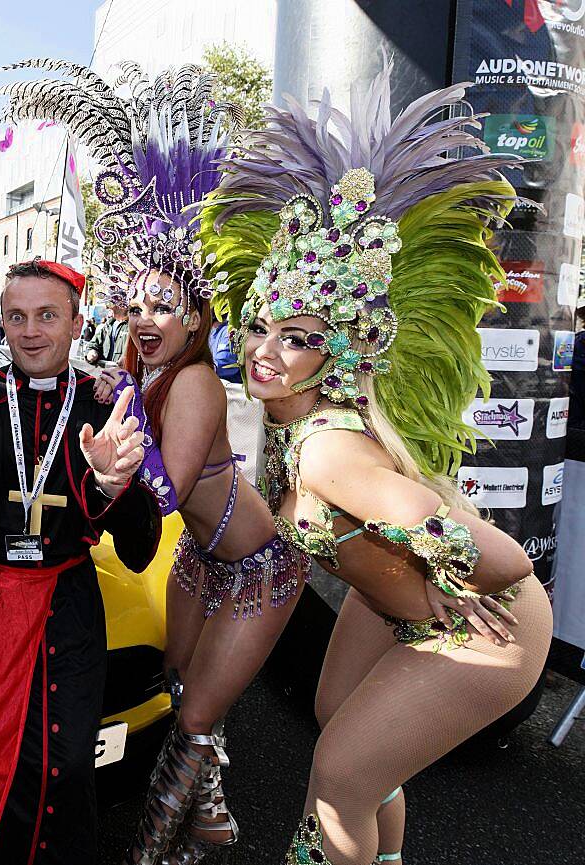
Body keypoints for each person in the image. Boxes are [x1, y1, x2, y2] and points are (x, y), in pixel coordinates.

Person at [200, 61, 552, 865]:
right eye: (261, 326)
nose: (266, 351)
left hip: (485, 619)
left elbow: (499, 557)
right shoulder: (298, 430)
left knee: (338, 778)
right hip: (405, 603)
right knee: (339, 719)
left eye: (299, 338)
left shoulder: (325, 449)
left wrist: (460, 584)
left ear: (340, 352)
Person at [0, 58, 311, 865]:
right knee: (184, 684)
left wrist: (107, 460)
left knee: (191, 720)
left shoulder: (190, 383)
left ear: (197, 318)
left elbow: (160, 495)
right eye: (140, 301)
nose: (148, 315)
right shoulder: (140, 368)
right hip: (201, 556)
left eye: (168, 305)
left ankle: (155, 852)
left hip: (259, 565)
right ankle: (212, 812)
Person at [0, 258, 162, 865]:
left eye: (47, 316)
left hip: (67, 607)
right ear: (0, 321)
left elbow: (142, 544)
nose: (31, 331)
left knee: (65, 768)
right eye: (17, 316)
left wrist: (110, 489)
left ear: (77, 323)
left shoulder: (105, 409)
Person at [208, 315, 241, 384]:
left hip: (230, 389)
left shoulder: (229, 331)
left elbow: (225, 362)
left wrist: (202, 369)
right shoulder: (211, 331)